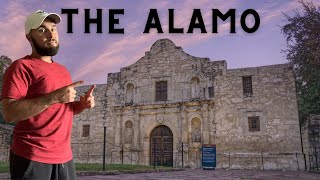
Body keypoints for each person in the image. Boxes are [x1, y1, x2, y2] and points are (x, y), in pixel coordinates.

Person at [1, 10, 95, 180]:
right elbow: (9, 113)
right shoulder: (20, 67)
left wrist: (81, 105)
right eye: (42, 30)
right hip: (32, 157)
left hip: (65, 158)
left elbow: (62, 110)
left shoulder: (63, 71)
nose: (51, 34)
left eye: (53, 29)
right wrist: (54, 97)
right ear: (29, 36)